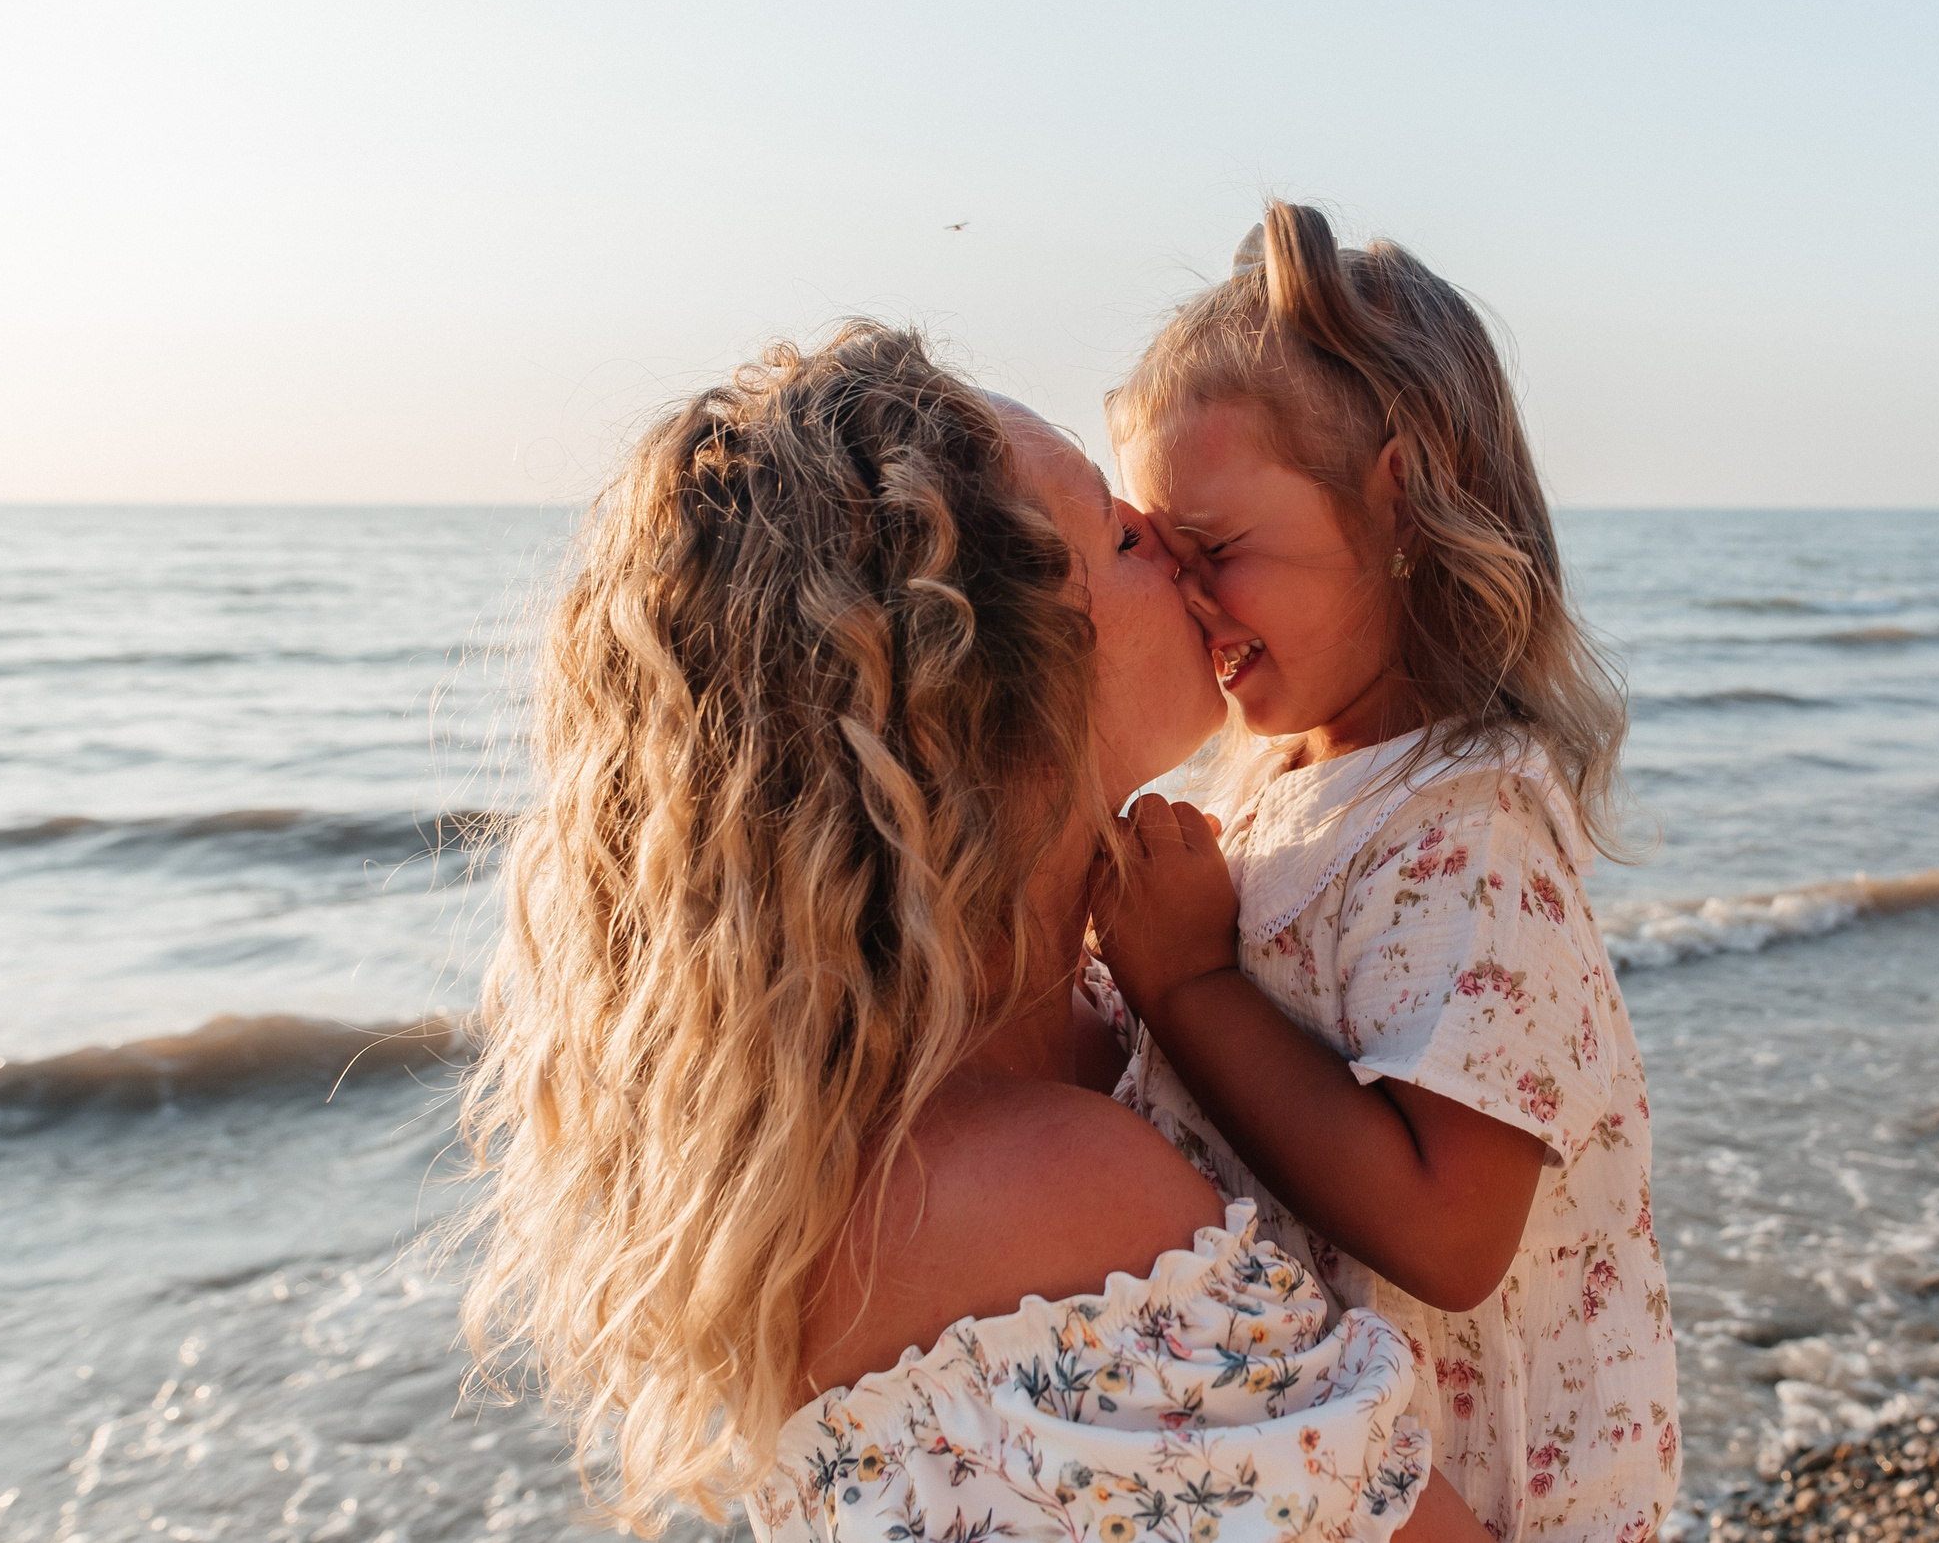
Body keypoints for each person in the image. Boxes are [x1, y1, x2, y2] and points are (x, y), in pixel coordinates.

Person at [457, 323, 1490, 1543]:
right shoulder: (1030, 1182)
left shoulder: (1041, 1041)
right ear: (996, 699)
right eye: (1116, 533)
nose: (1172, 538)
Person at [1095, 204, 1681, 1543]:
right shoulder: (1292, 786)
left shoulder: (1464, 824)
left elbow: (1451, 1229)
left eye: (1219, 549)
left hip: (1496, 1503)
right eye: (1159, 554)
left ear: (1401, 498)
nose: (1188, 599)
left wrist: (1188, 982)